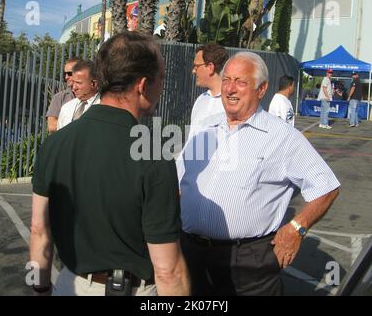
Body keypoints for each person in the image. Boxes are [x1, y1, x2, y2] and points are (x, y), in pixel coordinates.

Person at [29, 31, 190, 296]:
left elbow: (38, 231)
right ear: (142, 85)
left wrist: (42, 288)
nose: (162, 86)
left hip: (71, 285)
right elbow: (168, 271)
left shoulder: (55, 143)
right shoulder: (153, 154)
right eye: (161, 78)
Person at [176, 52, 340, 296]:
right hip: (191, 256)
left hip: (247, 265)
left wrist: (297, 227)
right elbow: (181, 181)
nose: (230, 89)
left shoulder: (282, 137)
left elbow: (326, 187)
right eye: (227, 80)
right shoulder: (203, 128)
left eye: (241, 82)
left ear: (261, 89)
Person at [189, 44, 229, 136]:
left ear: (210, 67)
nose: (194, 71)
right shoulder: (201, 100)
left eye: (197, 66)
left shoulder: (232, 103)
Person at [57, 60, 100, 130]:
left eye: (78, 83)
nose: (74, 88)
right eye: (73, 82)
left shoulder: (102, 107)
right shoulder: (66, 108)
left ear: (94, 84)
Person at [46, 58, 80, 133]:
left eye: (70, 73)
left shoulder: (92, 96)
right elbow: (51, 126)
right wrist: (80, 124)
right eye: (65, 74)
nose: (66, 77)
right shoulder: (59, 97)